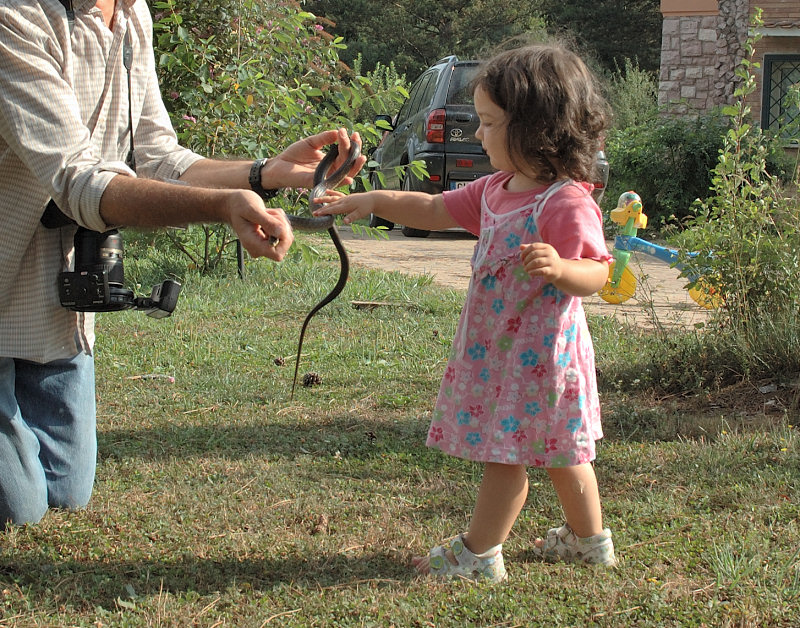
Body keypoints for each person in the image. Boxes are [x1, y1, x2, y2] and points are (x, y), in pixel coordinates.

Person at [0, 0, 365, 528]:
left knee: (66, 495)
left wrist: (264, 174)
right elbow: (80, 180)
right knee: (21, 509)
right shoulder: (18, 17)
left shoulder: (132, 16)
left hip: (52, 312)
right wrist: (220, 207)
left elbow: (159, 157)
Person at [313, 43, 616, 582]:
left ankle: (478, 555)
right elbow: (431, 208)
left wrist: (562, 267)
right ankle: (588, 542)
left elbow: (598, 272)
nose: (477, 134)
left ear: (536, 128)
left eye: (489, 123)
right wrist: (374, 201)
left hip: (541, 360)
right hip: (501, 351)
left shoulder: (566, 202)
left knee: (509, 455)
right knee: (564, 451)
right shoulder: (498, 190)